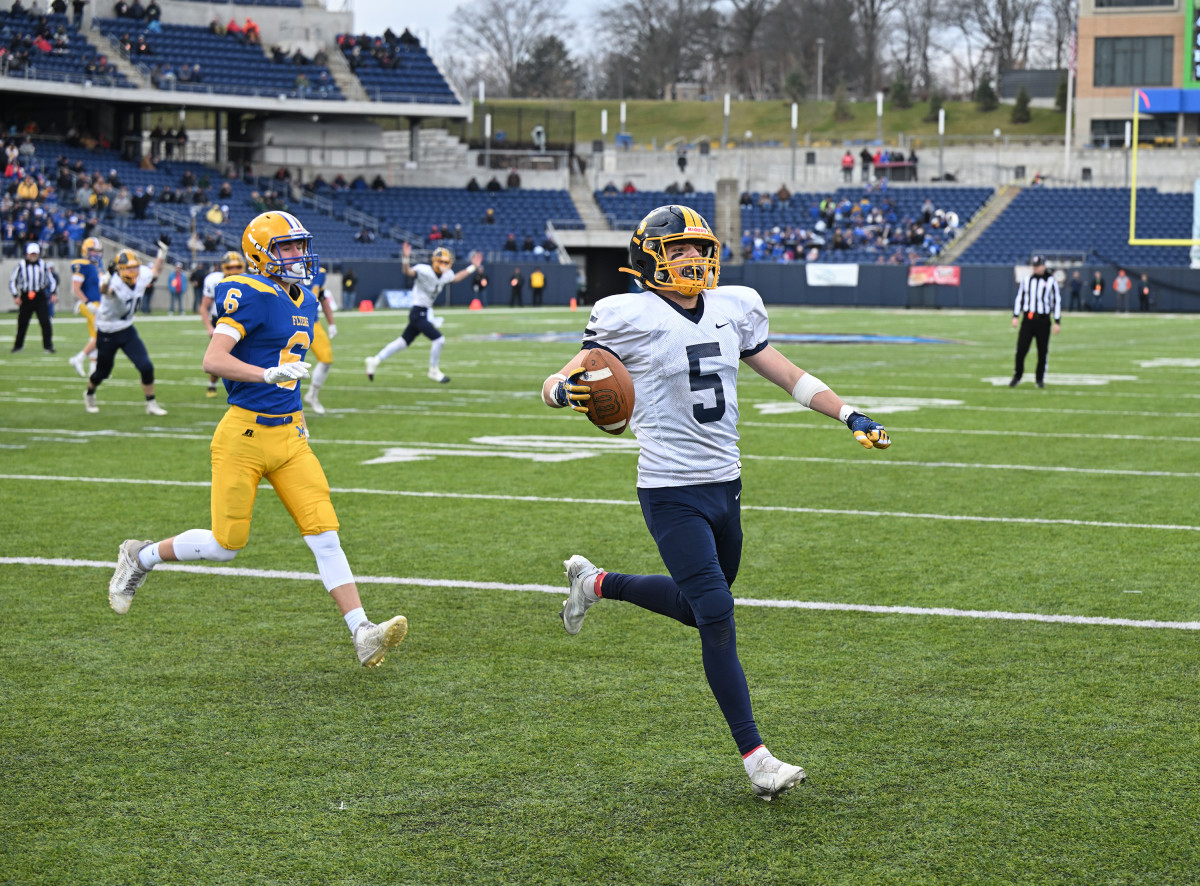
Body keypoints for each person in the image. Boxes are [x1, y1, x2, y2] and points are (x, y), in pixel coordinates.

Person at [538, 204, 892, 801]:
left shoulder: (736, 305)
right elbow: (558, 379)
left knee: (694, 608)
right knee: (718, 615)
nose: (694, 259)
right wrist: (559, 393)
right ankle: (758, 760)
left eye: (700, 249)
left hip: (726, 485)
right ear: (649, 256)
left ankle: (594, 584)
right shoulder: (626, 313)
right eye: (679, 250)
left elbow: (786, 374)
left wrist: (848, 413)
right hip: (670, 490)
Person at [105, 211, 408, 669]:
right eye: (286, 247)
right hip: (242, 435)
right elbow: (213, 359)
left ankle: (362, 631)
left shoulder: (303, 297)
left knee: (325, 535)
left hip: (289, 437)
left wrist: (299, 412)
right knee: (226, 545)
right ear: (260, 254)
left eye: (299, 245)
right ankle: (140, 556)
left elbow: (292, 367)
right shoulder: (245, 292)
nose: (298, 254)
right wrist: (265, 373)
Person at [365, 243, 482, 384]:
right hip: (417, 312)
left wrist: (473, 267)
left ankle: (375, 360)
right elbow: (407, 272)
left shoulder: (446, 275)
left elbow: (456, 278)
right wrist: (406, 258)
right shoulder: (424, 270)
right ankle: (433, 370)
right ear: (434, 261)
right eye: (441, 262)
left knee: (403, 342)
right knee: (439, 340)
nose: (444, 265)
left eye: (446, 262)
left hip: (424, 312)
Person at [85, 244, 168, 414]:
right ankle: (89, 392)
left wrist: (163, 251)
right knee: (102, 372)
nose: (133, 272)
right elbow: (104, 290)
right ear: (119, 269)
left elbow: (156, 271)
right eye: (128, 269)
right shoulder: (112, 280)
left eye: (135, 268)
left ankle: (150, 403)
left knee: (146, 366)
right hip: (107, 332)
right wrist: (108, 275)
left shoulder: (142, 275)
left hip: (126, 329)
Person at [1009, 255, 1060, 389]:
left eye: (1038, 266)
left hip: (1043, 320)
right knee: (1021, 349)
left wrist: (1057, 321)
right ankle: (1017, 375)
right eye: (1034, 266)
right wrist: (1015, 316)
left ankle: (1039, 379)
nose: (1036, 268)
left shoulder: (1051, 281)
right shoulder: (1026, 280)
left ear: (1043, 266)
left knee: (1042, 352)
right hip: (1028, 320)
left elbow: (1056, 301)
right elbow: (1019, 298)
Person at [200, 251, 246, 398]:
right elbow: (203, 307)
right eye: (230, 267)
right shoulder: (214, 280)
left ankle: (242, 387)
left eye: (237, 267)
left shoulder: (250, 281)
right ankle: (213, 384)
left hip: (242, 320)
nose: (234, 271)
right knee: (221, 356)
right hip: (221, 320)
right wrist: (209, 327)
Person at [10, 242, 58, 354]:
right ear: (27, 254)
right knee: (22, 322)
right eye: (31, 254)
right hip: (26, 296)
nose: (33, 256)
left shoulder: (43, 264)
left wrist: (53, 293)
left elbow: (52, 280)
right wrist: (15, 296)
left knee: (45, 322)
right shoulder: (21, 265)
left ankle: (48, 346)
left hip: (40, 296)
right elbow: (12, 281)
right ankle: (18, 346)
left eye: (35, 254)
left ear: (38, 254)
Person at [302, 264, 336, 416]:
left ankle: (312, 395)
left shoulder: (319, 273)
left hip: (312, 323)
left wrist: (331, 323)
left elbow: (322, 299)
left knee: (326, 359)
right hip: (288, 321)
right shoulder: (284, 270)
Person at [68, 236, 103, 376]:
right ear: (86, 250)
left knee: (94, 337)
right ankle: (78, 358)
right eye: (93, 250)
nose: (96, 253)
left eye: (97, 251)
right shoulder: (83, 265)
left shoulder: (96, 265)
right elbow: (76, 288)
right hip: (90, 304)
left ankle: (94, 369)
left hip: (97, 304)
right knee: (100, 335)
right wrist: (86, 302)